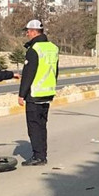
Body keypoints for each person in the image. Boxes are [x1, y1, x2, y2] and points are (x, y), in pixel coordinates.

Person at [18, 19, 59, 166]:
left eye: (28, 31)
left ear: (35, 32)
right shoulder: (53, 48)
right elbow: (56, 71)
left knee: (34, 127)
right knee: (42, 125)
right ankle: (43, 154)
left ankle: (38, 156)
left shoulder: (34, 49)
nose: (27, 33)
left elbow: (28, 74)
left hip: (35, 94)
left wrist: (21, 94)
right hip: (48, 92)